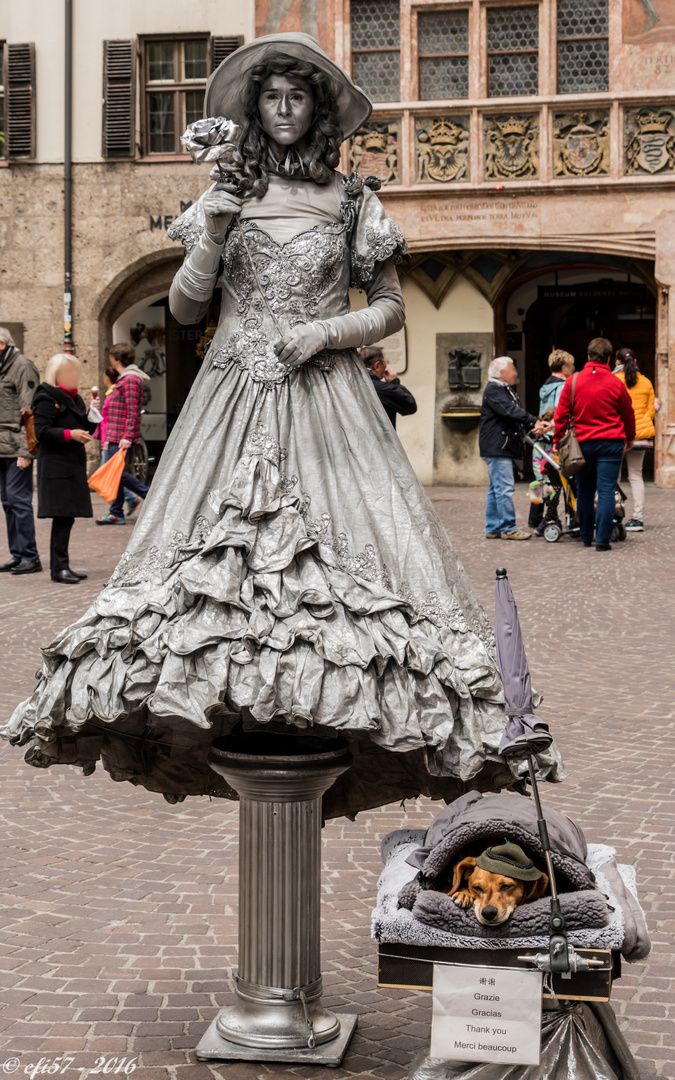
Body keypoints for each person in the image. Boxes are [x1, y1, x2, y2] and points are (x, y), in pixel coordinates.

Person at [2, 34, 562, 820]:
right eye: (271, 99)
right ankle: (225, 707)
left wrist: (325, 334)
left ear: (320, 109)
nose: (285, 110)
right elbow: (188, 310)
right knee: (216, 566)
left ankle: (338, 714)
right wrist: (217, 229)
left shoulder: (355, 199)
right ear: (254, 109)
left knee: (345, 561)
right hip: (231, 393)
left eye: (298, 98)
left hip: (326, 393)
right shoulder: (224, 193)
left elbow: (391, 308)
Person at [554, 337, 635, 552]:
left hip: (582, 443)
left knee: (584, 491)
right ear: (608, 358)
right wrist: (630, 436)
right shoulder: (616, 382)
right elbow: (628, 413)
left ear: (588, 356)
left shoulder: (573, 381)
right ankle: (602, 540)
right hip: (610, 442)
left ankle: (587, 536)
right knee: (606, 490)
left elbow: (561, 415)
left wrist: (557, 440)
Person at [31, 355, 100, 583]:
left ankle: (63, 566)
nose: (75, 375)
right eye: (70, 371)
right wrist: (70, 435)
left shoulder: (76, 398)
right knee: (62, 518)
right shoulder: (46, 397)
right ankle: (58, 569)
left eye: (76, 371)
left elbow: (84, 430)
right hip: (56, 467)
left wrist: (92, 416)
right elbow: (41, 431)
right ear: (57, 374)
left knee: (67, 518)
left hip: (71, 465)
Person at [479, 356, 547, 541]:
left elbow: (512, 416)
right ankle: (508, 528)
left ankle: (493, 527)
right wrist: (534, 421)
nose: (515, 372)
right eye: (512, 369)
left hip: (497, 445)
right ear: (502, 373)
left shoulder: (501, 389)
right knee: (504, 488)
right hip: (497, 446)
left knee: (496, 489)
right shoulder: (494, 390)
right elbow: (510, 411)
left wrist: (533, 427)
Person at [0, 328, 42, 575]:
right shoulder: (2, 365)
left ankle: (30, 555)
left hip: (18, 447)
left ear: (2, 344)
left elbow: (29, 411)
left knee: (19, 499)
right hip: (2, 446)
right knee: (7, 501)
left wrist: (27, 452)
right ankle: (18, 554)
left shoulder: (22, 366)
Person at [97, 342, 150, 525]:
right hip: (116, 435)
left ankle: (149, 496)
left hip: (121, 436)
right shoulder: (124, 379)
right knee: (115, 473)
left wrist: (128, 436)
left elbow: (133, 410)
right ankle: (116, 512)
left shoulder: (130, 380)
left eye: (111, 357)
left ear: (117, 359)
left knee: (117, 473)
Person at [528, 349, 575, 532]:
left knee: (542, 480)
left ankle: (536, 517)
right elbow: (559, 413)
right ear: (564, 367)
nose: (573, 369)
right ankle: (551, 518)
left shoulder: (545, 386)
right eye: (571, 366)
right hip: (554, 438)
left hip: (542, 438)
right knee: (556, 481)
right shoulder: (563, 387)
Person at [613, 347, 655, 532]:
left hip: (618, 435)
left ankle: (615, 514)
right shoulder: (646, 382)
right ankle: (638, 518)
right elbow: (651, 410)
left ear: (616, 363)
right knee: (636, 477)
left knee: (614, 477)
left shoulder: (614, 380)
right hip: (641, 436)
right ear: (635, 362)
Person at [361, 345, 417, 428]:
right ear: (377, 366)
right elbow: (410, 406)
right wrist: (394, 382)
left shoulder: (350, 386)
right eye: (386, 362)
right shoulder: (383, 389)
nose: (386, 366)